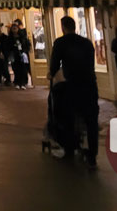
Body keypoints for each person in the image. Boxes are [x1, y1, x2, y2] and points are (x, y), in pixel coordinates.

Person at [48, 15, 99, 168]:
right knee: (91, 121)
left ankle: (69, 148)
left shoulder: (61, 42)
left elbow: (54, 65)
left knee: (67, 115)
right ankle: (92, 156)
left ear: (63, 27)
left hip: (73, 85)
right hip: (89, 84)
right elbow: (90, 63)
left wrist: (53, 74)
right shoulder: (86, 43)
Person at [9, 23, 30, 89]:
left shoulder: (22, 37)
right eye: (13, 28)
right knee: (16, 69)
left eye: (16, 28)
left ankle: (23, 83)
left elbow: (27, 45)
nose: (14, 30)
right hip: (14, 55)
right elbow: (8, 46)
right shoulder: (10, 38)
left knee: (23, 69)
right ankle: (17, 83)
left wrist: (25, 51)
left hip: (22, 55)